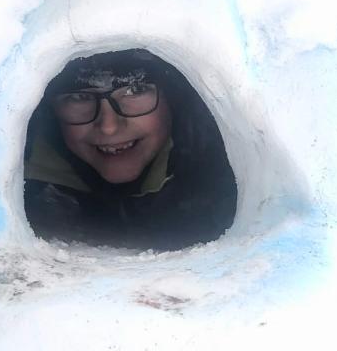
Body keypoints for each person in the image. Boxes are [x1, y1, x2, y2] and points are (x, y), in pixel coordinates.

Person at [24, 49, 237, 250]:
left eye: (134, 90)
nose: (109, 127)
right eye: (80, 97)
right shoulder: (24, 194)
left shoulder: (222, 183)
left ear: (172, 100)